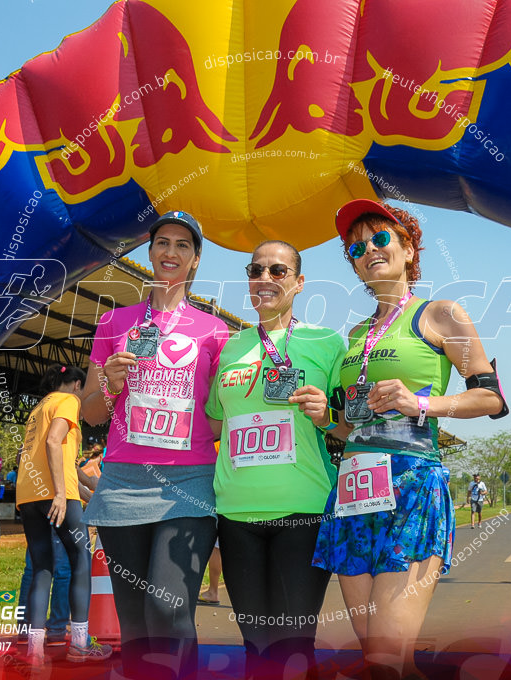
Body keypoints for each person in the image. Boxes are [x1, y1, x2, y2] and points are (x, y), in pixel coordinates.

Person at [313, 200, 508, 680]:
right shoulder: (356, 334)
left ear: (408, 248)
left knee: (385, 654)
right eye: (356, 247)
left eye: (381, 239)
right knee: (379, 658)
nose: (368, 251)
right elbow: (352, 427)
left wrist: (420, 403)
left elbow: (490, 399)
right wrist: (325, 418)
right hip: (354, 491)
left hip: (411, 485)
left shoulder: (441, 314)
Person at [80, 211, 228, 680]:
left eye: (183, 245)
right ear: (149, 252)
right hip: (123, 483)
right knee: (137, 624)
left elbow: (223, 415)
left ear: (195, 259)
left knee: (168, 608)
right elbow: (90, 413)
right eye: (162, 242)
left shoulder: (215, 331)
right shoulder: (113, 322)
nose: (170, 252)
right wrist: (109, 382)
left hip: (189, 485)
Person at [207, 240, 346, 679]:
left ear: (299, 282)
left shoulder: (326, 343)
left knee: (293, 647)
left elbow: (350, 425)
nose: (265, 278)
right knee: (256, 646)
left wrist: (327, 415)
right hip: (236, 513)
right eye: (256, 270)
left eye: (278, 271)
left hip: (303, 510)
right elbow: (212, 425)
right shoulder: (229, 348)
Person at [17, 363, 112, 665]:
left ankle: (34, 651)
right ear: (75, 385)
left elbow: (65, 461)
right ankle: (80, 645)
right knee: (81, 561)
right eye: (85, 390)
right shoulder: (69, 401)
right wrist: (60, 494)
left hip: (28, 495)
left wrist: (89, 489)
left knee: (42, 567)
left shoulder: (39, 408)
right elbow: (53, 441)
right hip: (55, 495)